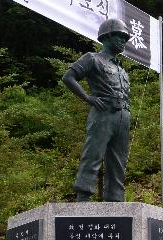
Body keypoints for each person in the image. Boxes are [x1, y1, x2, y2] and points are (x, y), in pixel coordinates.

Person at [63, 18, 132, 202]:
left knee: (119, 161)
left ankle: (115, 200)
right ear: (107, 36)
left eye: (126, 38)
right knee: (93, 154)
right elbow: (69, 77)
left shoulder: (121, 70)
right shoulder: (92, 58)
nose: (123, 41)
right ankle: (83, 196)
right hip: (103, 113)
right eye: (120, 36)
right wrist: (88, 98)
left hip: (123, 116)